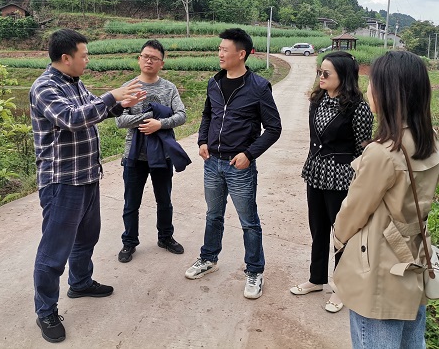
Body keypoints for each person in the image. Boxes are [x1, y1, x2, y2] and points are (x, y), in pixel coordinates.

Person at [30, 29, 146, 344]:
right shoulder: (44, 87)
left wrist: (120, 104)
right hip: (62, 181)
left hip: (87, 176)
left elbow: (92, 110)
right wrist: (113, 96)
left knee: (86, 237)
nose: (87, 60)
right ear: (65, 58)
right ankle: (45, 311)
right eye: (84, 55)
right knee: (53, 252)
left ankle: (80, 282)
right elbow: (71, 118)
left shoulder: (75, 83)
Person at [333, 51, 439, 348]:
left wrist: (337, 237)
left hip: (379, 269)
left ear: (389, 92)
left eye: (373, 82)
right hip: (414, 259)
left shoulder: (383, 152)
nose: (368, 88)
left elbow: (354, 210)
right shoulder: (429, 140)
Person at [184, 28, 282, 300]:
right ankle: (208, 258)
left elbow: (274, 128)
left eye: (224, 50)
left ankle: (255, 270)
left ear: (241, 54)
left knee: (249, 221)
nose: (220, 54)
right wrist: (202, 140)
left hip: (239, 167)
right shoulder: (214, 83)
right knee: (213, 215)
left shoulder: (259, 87)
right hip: (212, 163)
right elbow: (207, 115)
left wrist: (249, 154)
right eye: (219, 49)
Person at [290, 51, 373, 314]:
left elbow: (363, 149)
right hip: (315, 173)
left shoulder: (358, 108)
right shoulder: (318, 100)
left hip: (341, 178)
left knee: (342, 235)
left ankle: (342, 288)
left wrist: (356, 177)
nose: (321, 77)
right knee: (318, 229)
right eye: (320, 72)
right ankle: (316, 279)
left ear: (343, 76)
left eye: (326, 73)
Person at [115, 39, 190, 263]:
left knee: (164, 200)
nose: (149, 61)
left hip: (163, 154)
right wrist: (148, 117)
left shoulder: (169, 88)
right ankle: (129, 242)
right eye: (145, 56)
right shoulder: (129, 87)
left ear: (161, 63)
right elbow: (120, 120)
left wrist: (160, 124)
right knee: (131, 202)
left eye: (154, 58)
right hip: (134, 155)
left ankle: (165, 237)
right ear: (139, 59)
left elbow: (182, 115)